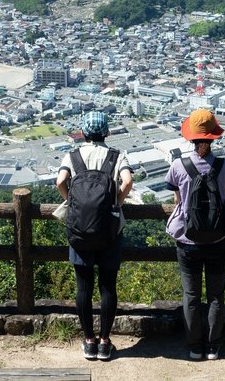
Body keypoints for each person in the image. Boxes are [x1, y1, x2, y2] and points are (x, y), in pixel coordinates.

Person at [56, 111, 133, 361]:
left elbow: (60, 181)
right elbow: (128, 182)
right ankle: (104, 342)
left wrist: (73, 202)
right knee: (108, 286)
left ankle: (88, 341)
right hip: (109, 229)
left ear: (84, 133)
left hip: (80, 230)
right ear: (107, 132)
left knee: (83, 287)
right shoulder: (117, 156)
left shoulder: (73, 155)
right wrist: (116, 203)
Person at [165, 108, 225, 361]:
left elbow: (177, 201)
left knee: (191, 295)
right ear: (213, 138)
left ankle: (194, 347)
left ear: (191, 138)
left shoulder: (178, 166)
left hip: (188, 242)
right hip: (219, 239)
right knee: (216, 295)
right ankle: (213, 346)